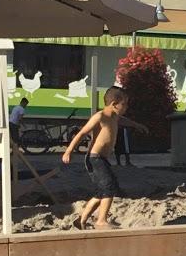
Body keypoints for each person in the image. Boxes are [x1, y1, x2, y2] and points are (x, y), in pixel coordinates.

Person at [61, 86, 147, 230]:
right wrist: (68, 151)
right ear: (114, 104)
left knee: (102, 192)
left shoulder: (115, 116)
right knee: (109, 187)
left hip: (102, 159)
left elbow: (124, 120)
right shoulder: (100, 117)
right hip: (94, 159)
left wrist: (136, 125)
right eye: (124, 104)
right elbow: (81, 133)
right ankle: (101, 221)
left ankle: (81, 220)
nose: (126, 107)